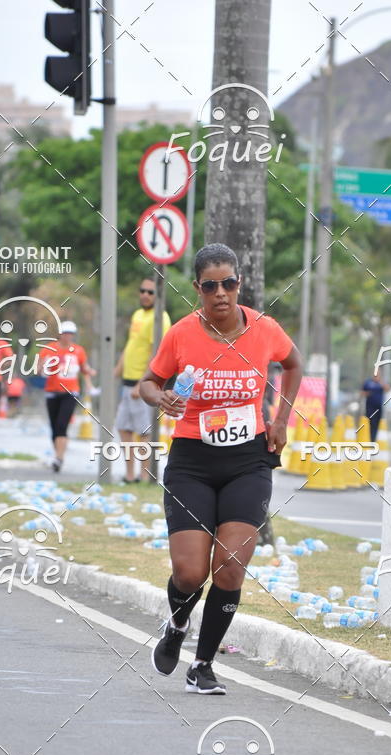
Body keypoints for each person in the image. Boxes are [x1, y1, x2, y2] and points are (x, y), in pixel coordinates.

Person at [139, 243, 302, 695]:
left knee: (229, 567)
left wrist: (281, 421)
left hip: (249, 461)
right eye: (210, 286)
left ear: (239, 283)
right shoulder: (181, 334)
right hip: (192, 461)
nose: (221, 293)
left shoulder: (265, 329)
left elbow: (293, 363)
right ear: (197, 288)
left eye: (228, 283)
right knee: (190, 573)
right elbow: (148, 382)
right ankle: (177, 624)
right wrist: (161, 397)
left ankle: (203, 665)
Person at [114, 277, 171, 483]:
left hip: (143, 384)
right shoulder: (138, 314)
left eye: (150, 292)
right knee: (123, 427)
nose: (145, 295)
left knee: (144, 431)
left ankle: (145, 475)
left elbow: (156, 353)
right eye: (143, 291)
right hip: (127, 382)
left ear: (158, 295)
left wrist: (142, 383)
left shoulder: (160, 318)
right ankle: (130, 475)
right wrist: (117, 369)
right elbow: (131, 344)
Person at [39, 321, 95, 472]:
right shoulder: (49, 349)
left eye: (71, 334)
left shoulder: (78, 351)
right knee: (54, 427)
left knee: (62, 425)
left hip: (70, 392)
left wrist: (89, 384)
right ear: (60, 334)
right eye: (65, 333)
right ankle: (58, 454)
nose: (68, 336)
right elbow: (39, 369)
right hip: (52, 392)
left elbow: (84, 369)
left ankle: (59, 458)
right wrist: (43, 366)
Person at [362, 370, 389, 442]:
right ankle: (368, 438)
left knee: (377, 424)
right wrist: (368, 393)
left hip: (378, 407)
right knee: (370, 422)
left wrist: (381, 382)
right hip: (370, 407)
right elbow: (362, 392)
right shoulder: (368, 382)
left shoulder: (381, 382)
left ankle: (373, 439)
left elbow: (387, 389)